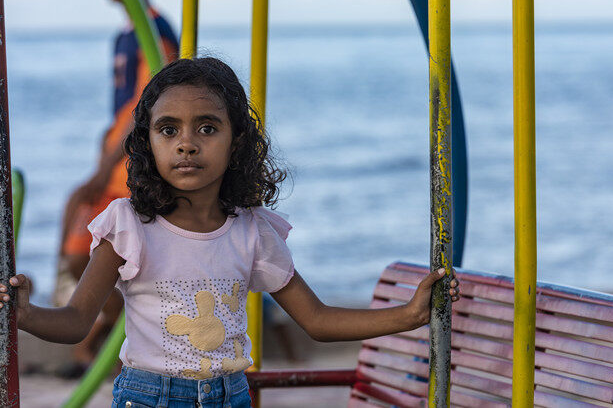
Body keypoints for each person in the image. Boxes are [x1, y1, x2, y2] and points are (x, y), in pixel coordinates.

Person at [2, 57, 460, 407]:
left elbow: (316, 320)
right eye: (169, 129)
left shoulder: (253, 232)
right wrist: (27, 314)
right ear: (148, 143)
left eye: (207, 127)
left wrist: (409, 315)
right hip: (149, 396)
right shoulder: (128, 225)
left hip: (231, 395)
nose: (187, 142)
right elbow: (76, 321)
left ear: (236, 140)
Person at [53, 0, 179, 377]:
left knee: (96, 249)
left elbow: (148, 106)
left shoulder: (156, 32)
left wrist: (107, 165)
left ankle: (96, 340)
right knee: (77, 245)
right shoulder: (126, 34)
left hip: (129, 166)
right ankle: (96, 334)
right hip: (113, 159)